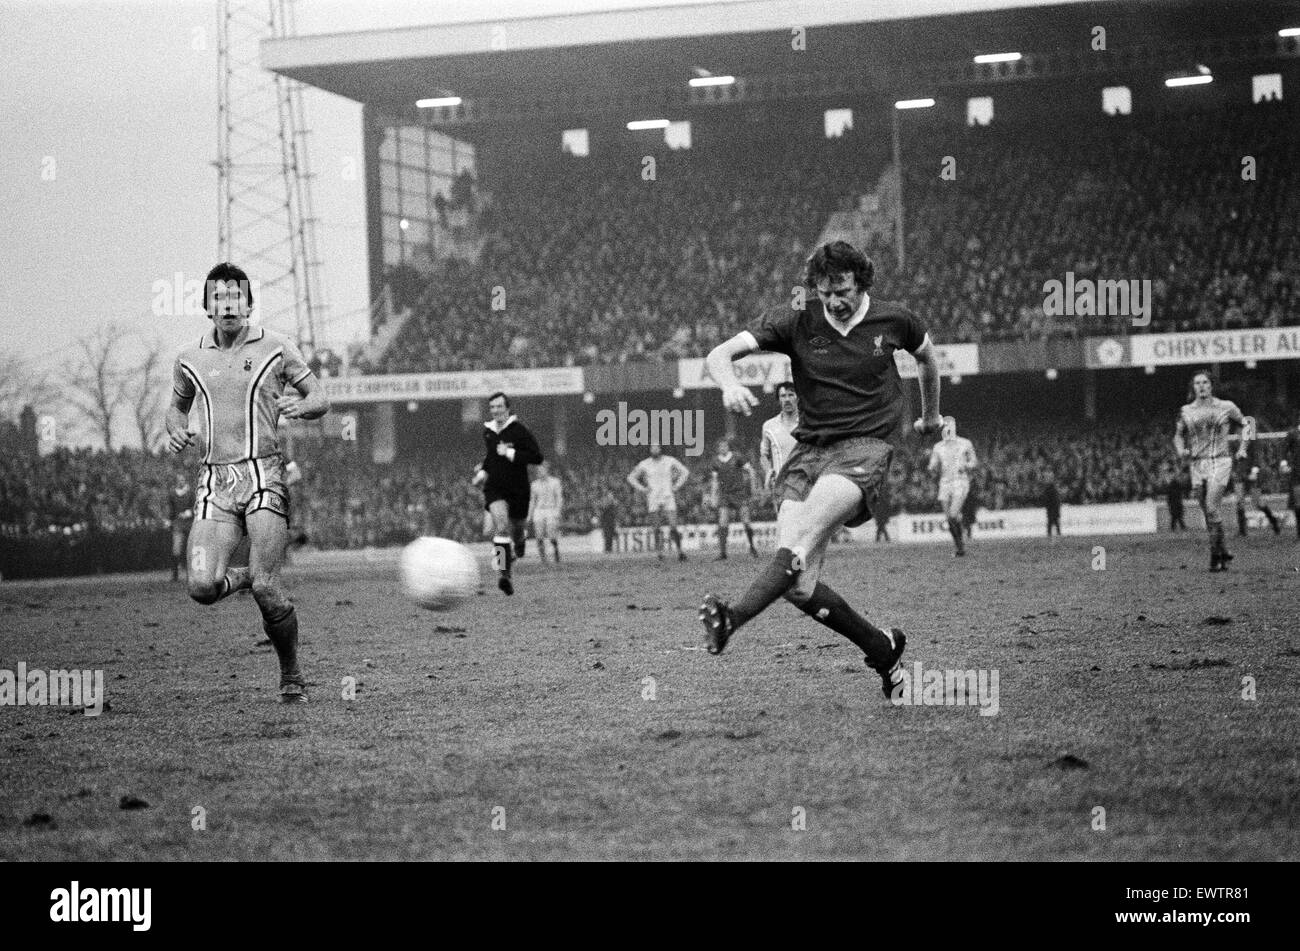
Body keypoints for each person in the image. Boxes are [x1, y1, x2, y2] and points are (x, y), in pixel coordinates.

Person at [698, 240, 943, 698]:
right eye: (826, 292)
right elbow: (719, 354)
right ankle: (883, 649)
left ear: (861, 283)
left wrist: (930, 416)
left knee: (800, 540)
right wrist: (729, 384)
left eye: (844, 290)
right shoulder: (796, 319)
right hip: (808, 454)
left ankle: (731, 619)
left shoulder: (895, 320)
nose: (835, 301)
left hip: (864, 451)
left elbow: (928, 357)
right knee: (797, 583)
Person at [166, 262, 330, 704]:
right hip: (215, 482)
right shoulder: (189, 358)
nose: (228, 305)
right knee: (201, 587)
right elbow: (176, 408)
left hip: (264, 475)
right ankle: (244, 576)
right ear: (207, 308)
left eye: (236, 297)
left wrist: (305, 407)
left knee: (268, 586)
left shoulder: (278, 347)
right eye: (218, 298)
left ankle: (291, 672)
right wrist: (175, 428)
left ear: (249, 304)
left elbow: (320, 397)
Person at [1173, 370, 1252, 571]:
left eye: (1205, 382)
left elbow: (1247, 424)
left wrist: (1242, 448)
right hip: (1197, 464)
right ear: (1193, 387)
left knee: (1211, 506)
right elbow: (1178, 435)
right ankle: (1223, 551)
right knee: (1209, 512)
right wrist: (1181, 450)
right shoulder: (1186, 411)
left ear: (1211, 385)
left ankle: (1214, 555)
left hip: (1220, 461)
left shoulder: (1226, 407)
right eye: (1197, 383)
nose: (1201, 386)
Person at [471, 392, 543, 595]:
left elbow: (536, 457)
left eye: (499, 407)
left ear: (508, 408)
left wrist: (510, 453)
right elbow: (491, 457)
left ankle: (520, 544)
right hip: (495, 488)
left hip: (518, 488)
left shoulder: (520, 431)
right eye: (492, 407)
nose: (495, 411)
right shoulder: (488, 432)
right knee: (501, 527)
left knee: (518, 531)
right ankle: (505, 574)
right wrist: (483, 473)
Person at [626, 443, 689, 561]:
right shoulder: (645, 464)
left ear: (660, 449)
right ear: (650, 450)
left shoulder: (670, 460)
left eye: (656, 447)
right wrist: (643, 489)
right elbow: (630, 478)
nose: (654, 449)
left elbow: (685, 472)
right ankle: (659, 553)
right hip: (653, 497)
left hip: (667, 496)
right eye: (652, 448)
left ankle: (680, 551)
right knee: (656, 527)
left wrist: (676, 486)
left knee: (673, 525)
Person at [927, 416, 977, 556]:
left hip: (960, 482)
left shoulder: (965, 443)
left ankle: (961, 543)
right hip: (944, 483)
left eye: (951, 426)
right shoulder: (938, 447)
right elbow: (933, 464)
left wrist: (966, 466)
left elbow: (974, 461)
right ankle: (959, 547)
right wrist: (931, 468)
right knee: (949, 518)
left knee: (954, 514)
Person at [708, 437, 759, 560]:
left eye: (725, 446)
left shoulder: (737, 457)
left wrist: (753, 488)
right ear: (718, 449)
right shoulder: (715, 462)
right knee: (723, 522)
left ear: (728, 447)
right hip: (725, 495)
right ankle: (723, 553)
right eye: (720, 446)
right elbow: (715, 481)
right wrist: (713, 496)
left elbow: (751, 471)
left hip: (739, 493)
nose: (723, 448)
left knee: (746, 521)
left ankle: (752, 547)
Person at [759, 382, 799, 516]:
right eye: (783, 396)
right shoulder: (769, 426)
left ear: (797, 397)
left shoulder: (808, 423)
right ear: (779, 400)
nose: (787, 399)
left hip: (805, 482)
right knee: (786, 526)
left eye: (791, 395)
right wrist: (769, 471)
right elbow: (763, 455)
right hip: (781, 485)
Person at [1233, 433, 1280, 536]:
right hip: (1240, 475)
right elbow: (1234, 460)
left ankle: (1274, 521)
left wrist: (1254, 471)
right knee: (1239, 501)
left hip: (1252, 474)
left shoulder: (1254, 443)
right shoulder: (1236, 444)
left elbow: (1257, 458)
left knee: (1257, 502)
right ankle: (1242, 531)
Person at [529, 461, 564, 563]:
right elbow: (532, 500)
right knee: (539, 535)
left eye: (542, 470)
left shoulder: (555, 482)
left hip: (551, 509)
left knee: (551, 534)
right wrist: (530, 514)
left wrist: (558, 510)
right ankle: (543, 557)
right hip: (539, 510)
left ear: (546, 470)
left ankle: (556, 552)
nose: (540, 472)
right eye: (538, 470)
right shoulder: (534, 485)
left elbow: (559, 497)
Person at [167, 471, 193, 582]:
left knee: (190, 549)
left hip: (189, 523)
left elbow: (197, 506)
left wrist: (189, 512)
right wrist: (169, 520)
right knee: (176, 549)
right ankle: (175, 575)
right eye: (179, 480)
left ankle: (190, 575)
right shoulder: (172, 494)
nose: (180, 482)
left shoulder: (191, 493)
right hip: (178, 523)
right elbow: (171, 509)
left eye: (182, 480)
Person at [1281, 410, 1300, 538]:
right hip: (1297, 472)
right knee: (1298, 503)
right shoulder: (1293, 434)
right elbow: (1283, 449)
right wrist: (1284, 463)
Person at [598, 490, 621, 554]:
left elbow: (616, 512)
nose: (611, 496)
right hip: (606, 522)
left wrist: (616, 522)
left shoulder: (614, 502)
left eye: (612, 494)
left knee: (611, 536)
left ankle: (610, 549)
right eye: (610, 494)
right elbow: (603, 508)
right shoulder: (605, 501)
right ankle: (607, 549)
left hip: (612, 521)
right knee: (607, 536)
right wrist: (611, 502)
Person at [1042, 472, 1062, 537]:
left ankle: (1051, 534)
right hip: (1053, 508)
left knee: (1052, 522)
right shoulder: (1052, 489)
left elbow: (1054, 500)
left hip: (1052, 508)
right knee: (1054, 522)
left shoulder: (1050, 489)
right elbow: (1057, 500)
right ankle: (1056, 534)